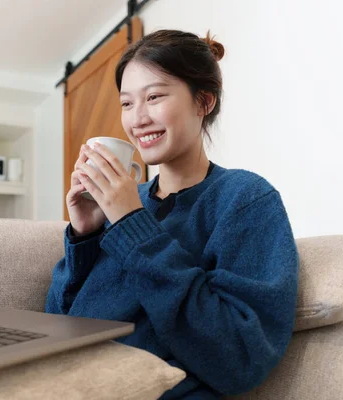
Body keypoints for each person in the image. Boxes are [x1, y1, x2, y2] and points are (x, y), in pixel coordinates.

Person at [46, 29, 299, 400]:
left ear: (203, 102)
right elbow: (59, 325)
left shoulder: (244, 199)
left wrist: (132, 224)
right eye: (127, 103)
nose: (138, 119)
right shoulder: (127, 202)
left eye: (155, 97)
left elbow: (241, 359)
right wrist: (83, 237)